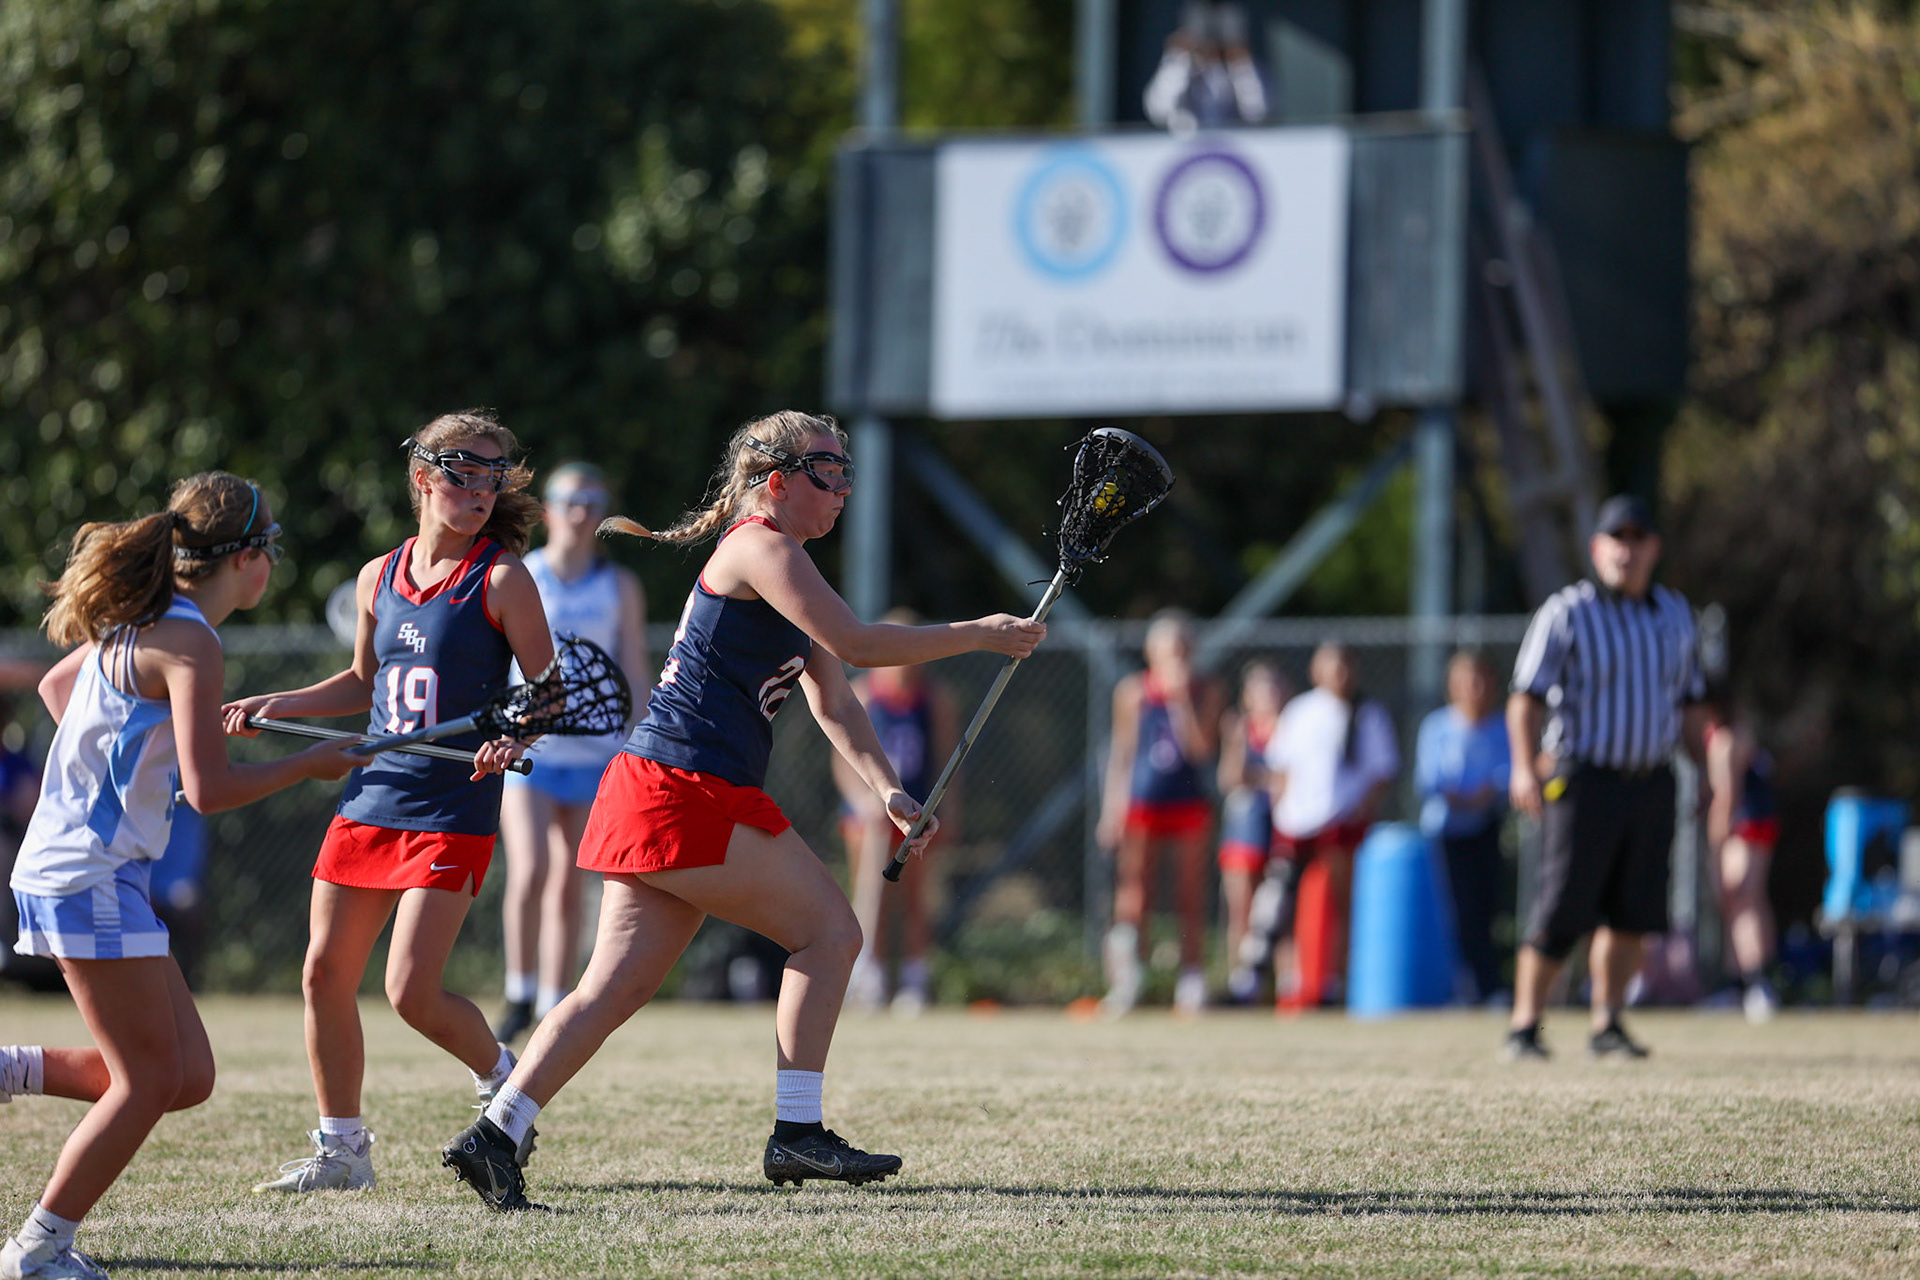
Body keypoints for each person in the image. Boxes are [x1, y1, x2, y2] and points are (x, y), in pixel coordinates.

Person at [439, 411, 1045, 1210]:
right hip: (683, 787)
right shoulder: (762, 545)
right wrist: (980, 633)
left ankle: (495, 1134)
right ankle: (797, 1133)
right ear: (779, 481)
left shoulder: (784, 560)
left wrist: (887, 789)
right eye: (829, 471)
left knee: (610, 990)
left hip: (664, 785)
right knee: (830, 931)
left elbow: (834, 693)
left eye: (845, 469)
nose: (844, 487)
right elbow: (862, 647)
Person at [1, 473, 359, 1280]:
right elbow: (212, 790)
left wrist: (130, 760)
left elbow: (64, 689)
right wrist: (310, 764)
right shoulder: (192, 637)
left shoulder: (147, 619)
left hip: (90, 873)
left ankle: (5, 1071)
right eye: (272, 548)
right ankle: (36, 1249)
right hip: (86, 876)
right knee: (149, 1077)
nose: (273, 563)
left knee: (185, 1077)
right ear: (248, 559)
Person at [227, 411, 555, 1193]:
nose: (479, 488)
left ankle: (506, 1086)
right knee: (322, 976)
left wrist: (513, 737)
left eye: (492, 475)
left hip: (452, 805)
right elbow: (363, 684)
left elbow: (549, 694)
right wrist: (280, 703)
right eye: (461, 471)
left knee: (411, 990)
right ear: (421, 477)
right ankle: (343, 1151)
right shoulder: (380, 575)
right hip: (369, 797)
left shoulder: (502, 577)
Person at [1505, 494, 1708, 1061]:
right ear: (1597, 548)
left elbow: (1690, 702)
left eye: (1637, 538)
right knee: (1564, 907)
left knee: (1632, 912)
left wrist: (1705, 771)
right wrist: (1523, 766)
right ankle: (1525, 1025)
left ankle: (1608, 1021)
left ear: (1654, 548)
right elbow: (1525, 699)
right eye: (1616, 539)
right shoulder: (1568, 612)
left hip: (1651, 780)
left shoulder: (1674, 613)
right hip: (1584, 776)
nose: (1627, 550)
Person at [493, 463, 649, 1046]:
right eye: (570, 500)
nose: (581, 512)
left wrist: (641, 737)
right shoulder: (525, 575)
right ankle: (519, 990)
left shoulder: (619, 587)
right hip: (532, 749)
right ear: (550, 509)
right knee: (530, 869)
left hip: (595, 752)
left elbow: (632, 663)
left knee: (569, 880)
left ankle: (557, 999)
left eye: (592, 501)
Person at [1243, 642, 1398, 1008]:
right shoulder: (1300, 711)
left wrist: (1360, 808)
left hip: (1342, 825)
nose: (1339, 674)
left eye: (1346, 666)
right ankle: (1284, 981)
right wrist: (1283, 809)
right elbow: (1281, 767)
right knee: (1282, 905)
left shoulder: (1366, 714)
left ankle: (1334, 982)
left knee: (1340, 904)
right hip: (1297, 825)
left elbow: (1383, 771)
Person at [831, 608, 961, 1017]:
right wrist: (864, 801)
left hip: (917, 814)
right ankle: (868, 977)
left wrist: (949, 809)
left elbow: (947, 758)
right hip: (869, 816)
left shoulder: (934, 700)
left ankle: (915, 979)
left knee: (916, 898)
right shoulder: (865, 693)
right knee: (870, 893)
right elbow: (843, 759)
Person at [1096, 610, 1223, 1017]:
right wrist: (1110, 809)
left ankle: (1192, 980)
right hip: (1142, 803)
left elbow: (1201, 750)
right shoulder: (1132, 692)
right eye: (1170, 650)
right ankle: (1129, 980)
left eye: (1184, 650)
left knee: (1190, 893)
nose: (1177, 658)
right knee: (1135, 892)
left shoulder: (1206, 691)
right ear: (1152, 653)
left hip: (1188, 802)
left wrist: (1181, 701)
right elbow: (1122, 753)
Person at [1413, 651, 1512, 1004]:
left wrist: (1483, 795)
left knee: (1484, 909)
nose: (1475, 687)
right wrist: (1468, 796)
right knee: (1455, 911)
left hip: (1486, 829)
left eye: (1481, 678)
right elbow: (1431, 781)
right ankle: (1463, 986)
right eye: (1467, 679)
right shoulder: (1437, 726)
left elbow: (1505, 778)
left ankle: (1487, 986)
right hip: (1446, 835)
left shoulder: (1502, 727)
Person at [1704, 691, 1779, 1022]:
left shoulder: (1725, 741)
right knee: (1749, 900)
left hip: (1744, 826)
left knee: (1740, 899)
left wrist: (1716, 844)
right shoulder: (1743, 731)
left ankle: (1756, 982)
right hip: (1760, 823)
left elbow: (1727, 797)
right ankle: (1740, 984)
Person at [1218, 660, 1289, 1005]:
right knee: (1241, 908)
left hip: (1282, 828)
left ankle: (1286, 985)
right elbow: (1231, 778)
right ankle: (1242, 984)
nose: (1269, 696)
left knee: (1279, 910)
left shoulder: (1293, 727)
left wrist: (1263, 778)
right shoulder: (1240, 728)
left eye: (1274, 688)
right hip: (1245, 826)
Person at [1143, 1, 1267, 134]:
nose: (1209, 44)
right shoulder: (1182, 65)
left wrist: (1240, 65)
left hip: (1230, 142)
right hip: (1187, 144)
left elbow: (1257, 112)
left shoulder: (1243, 67)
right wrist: (1178, 60)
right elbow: (1159, 110)